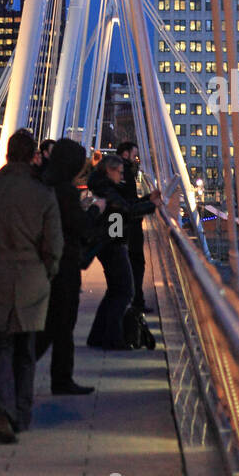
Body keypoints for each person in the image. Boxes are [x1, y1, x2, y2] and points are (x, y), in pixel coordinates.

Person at [0, 128, 63, 444]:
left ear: (6, 155)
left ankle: (1, 409)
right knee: (25, 350)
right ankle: (21, 412)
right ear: (34, 155)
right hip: (32, 280)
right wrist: (49, 271)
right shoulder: (43, 194)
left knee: (0, 347)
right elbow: (54, 245)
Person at [35, 138, 95, 396]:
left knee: (51, 322)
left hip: (45, 262)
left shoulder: (42, 184)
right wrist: (97, 211)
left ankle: (22, 368)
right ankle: (59, 378)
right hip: (65, 263)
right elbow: (86, 228)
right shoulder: (66, 191)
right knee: (61, 322)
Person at [86, 153, 160, 350]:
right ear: (109, 170)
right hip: (113, 243)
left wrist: (147, 200)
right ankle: (112, 338)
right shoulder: (107, 189)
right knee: (125, 291)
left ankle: (97, 336)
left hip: (111, 240)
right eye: (119, 172)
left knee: (114, 291)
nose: (122, 176)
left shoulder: (106, 187)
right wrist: (152, 205)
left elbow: (126, 207)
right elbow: (126, 210)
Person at [116, 141, 149, 313]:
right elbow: (128, 203)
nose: (136, 160)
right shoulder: (125, 174)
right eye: (135, 155)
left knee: (131, 261)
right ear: (126, 154)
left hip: (125, 224)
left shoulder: (122, 173)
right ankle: (135, 299)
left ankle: (136, 298)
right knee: (136, 262)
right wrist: (148, 203)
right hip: (129, 225)